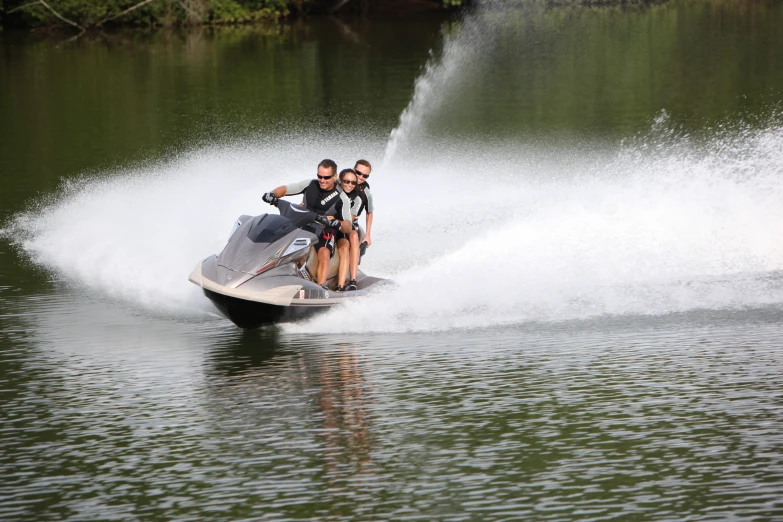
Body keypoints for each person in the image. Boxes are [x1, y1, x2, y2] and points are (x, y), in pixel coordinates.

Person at [262, 159, 352, 288]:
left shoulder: (342, 198)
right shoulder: (310, 184)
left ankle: (320, 287)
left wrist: (338, 223)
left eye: (326, 177)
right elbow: (286, 189)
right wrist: (272, 194)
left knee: (324, 253)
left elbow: (348, 225)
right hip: (302, 224)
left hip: (323, 230)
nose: (322, 180)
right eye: (319, 176)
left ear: (335, 176)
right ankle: (263, 271)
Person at [334, 168, 362, 291]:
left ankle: (352, 281)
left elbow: (349, 221)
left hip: (345, 226)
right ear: (340, 180)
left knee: (352, 237)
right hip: (328, 224)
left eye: (353, 183)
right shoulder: (332, 189)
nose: (349, 185)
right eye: (346, 181)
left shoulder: (357, 199)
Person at [353, 159, 374, 248]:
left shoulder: (366, 190)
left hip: (352, 223)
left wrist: (368, 235)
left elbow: (369, 212)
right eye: (358, 173)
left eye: (365, 176)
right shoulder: (340, 182)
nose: (360, 177)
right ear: (353, 170)